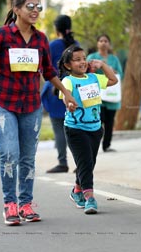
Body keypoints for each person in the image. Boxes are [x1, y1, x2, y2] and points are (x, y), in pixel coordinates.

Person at [0, 0, 77, 226]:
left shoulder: (40, 39)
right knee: (10, 153)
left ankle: (26, 204)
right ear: (17, 9)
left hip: (30, 105)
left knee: (27, 158)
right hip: (1, 103)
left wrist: (66, 92)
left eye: (38, 7)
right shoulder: (1, 35)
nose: (35, 10)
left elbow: (49, 72)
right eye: (30, 6)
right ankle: (10, 204)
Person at [58, 45, 118, 214]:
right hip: (75, 129)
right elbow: (66, 96)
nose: (82, 62)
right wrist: (69, 104)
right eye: (77, 60)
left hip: (96, 128)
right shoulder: (68, 80)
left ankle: (77, 190)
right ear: (68, 65)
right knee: (85, 162)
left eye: (84, 58)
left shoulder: (94, 77)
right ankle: (89, 198)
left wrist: (102, 65)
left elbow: (114, 80)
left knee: (88, 163)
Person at [41, 15, 77, 173]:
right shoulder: (76, 45)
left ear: (56, 29)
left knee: (59, 127)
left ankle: (62, 162)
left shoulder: (54, 44)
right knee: (75, 129)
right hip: (74, 90)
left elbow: (45, 68)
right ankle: (80, 163)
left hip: (56, 90)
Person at [87, 34, 123, 152]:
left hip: (111, 94)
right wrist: (97, 67)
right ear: (97, 43)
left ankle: (106, 145)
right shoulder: (92, 57)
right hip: (97, 94)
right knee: (98, 122)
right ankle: (94, 145)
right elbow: (85, 72)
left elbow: (120, 74)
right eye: (101, 40)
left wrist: (111, 70)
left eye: (106, 41)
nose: (103, 43)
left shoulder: (114, 59)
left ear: (109, 44)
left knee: (110, 122)